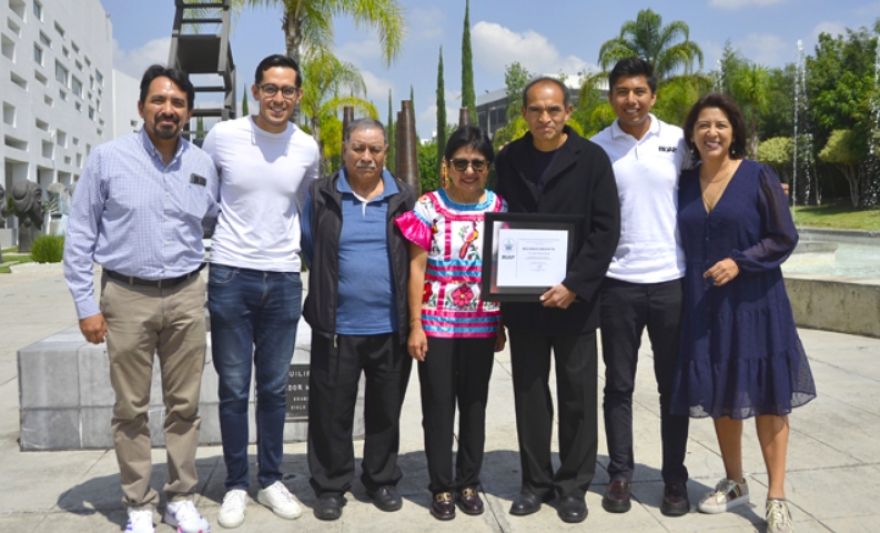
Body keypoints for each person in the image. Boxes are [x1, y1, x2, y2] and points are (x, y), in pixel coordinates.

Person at [63, 65, 217, 533]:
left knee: (184, 405)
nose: (167, 109)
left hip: (188, 294)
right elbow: (80, 234)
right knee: (130, 408)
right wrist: (87, 304)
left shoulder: (202, 164)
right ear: (141, 107)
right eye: (158, 100)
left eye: (177, 103)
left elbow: (208, 222)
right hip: (126, 296)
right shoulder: (107, 159)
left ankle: (181, 497)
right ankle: (137, 501)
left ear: (188, 113)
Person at [670, 93, 816, 533]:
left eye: (720, 125)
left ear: (734, 133)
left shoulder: (758, 176)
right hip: (706, 305)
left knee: (770, 395)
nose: (711, 132)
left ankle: (776, 496)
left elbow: (784, 236)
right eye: (702, 125)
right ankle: (735, 482)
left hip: (756, 303)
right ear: (692, 134)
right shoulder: (683, 183)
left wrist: (741, 260)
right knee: (721, 393)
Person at [494, 77, 620, 523]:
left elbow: (606, 230)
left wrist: (574, 285)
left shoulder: (593, 160)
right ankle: (535, 483)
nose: (544, 118)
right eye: (535, 110)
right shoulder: (508, 159)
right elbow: (496, 219)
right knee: (530, 395)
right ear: (524, 114)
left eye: (552, 110)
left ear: (567, 112)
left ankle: (572, 487)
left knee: (577, 399)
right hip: (524, 303)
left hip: (576, 304)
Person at [201, 54, 319, 528]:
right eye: (269, 88)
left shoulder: (307, 147)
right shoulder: (223, 137)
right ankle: (234, 483)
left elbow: (305, 210)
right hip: (230, 274)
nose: (278, 98)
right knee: (233, 388)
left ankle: (270, 479)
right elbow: (205, 203)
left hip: (285, 279)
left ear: (299, 95)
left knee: (272, 388)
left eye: (287, 90)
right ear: (255, 91)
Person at [301, 118, 417, 521]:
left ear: (386, 152)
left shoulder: (405, 197)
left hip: (390, 327)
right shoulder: (321, 195)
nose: (366, 157)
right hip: (337, 326)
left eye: (375, 150)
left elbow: (414, 257)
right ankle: (331, 485)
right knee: (331, 411)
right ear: (345, 148)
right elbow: (309, 245)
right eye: (358, 148)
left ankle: (380, 478)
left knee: (385, 410)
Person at [589, 58, 691, 516]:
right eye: (622, 91)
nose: (631, 99)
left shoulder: (678, 141)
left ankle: (674, 480)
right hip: (618, 284)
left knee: (673, 386)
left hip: (672, 280)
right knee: (619, 385)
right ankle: (620, 476)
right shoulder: (595, 149)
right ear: (611, 96)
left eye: (640, 91)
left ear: (653, 95)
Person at [395, 125, 507, 520]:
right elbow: (416, 268)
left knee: (474, 406)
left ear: (488, 167)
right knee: (438, 407)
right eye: (461, 162)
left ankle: (469, 482)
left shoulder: (499, 208)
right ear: (447, 166)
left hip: (481, 325)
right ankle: (441, 487)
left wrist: (501, 323)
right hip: (436, 326)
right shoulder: (428, 207)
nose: (469, 170)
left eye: (478, 163)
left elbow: (504, 270)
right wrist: (415, 324)